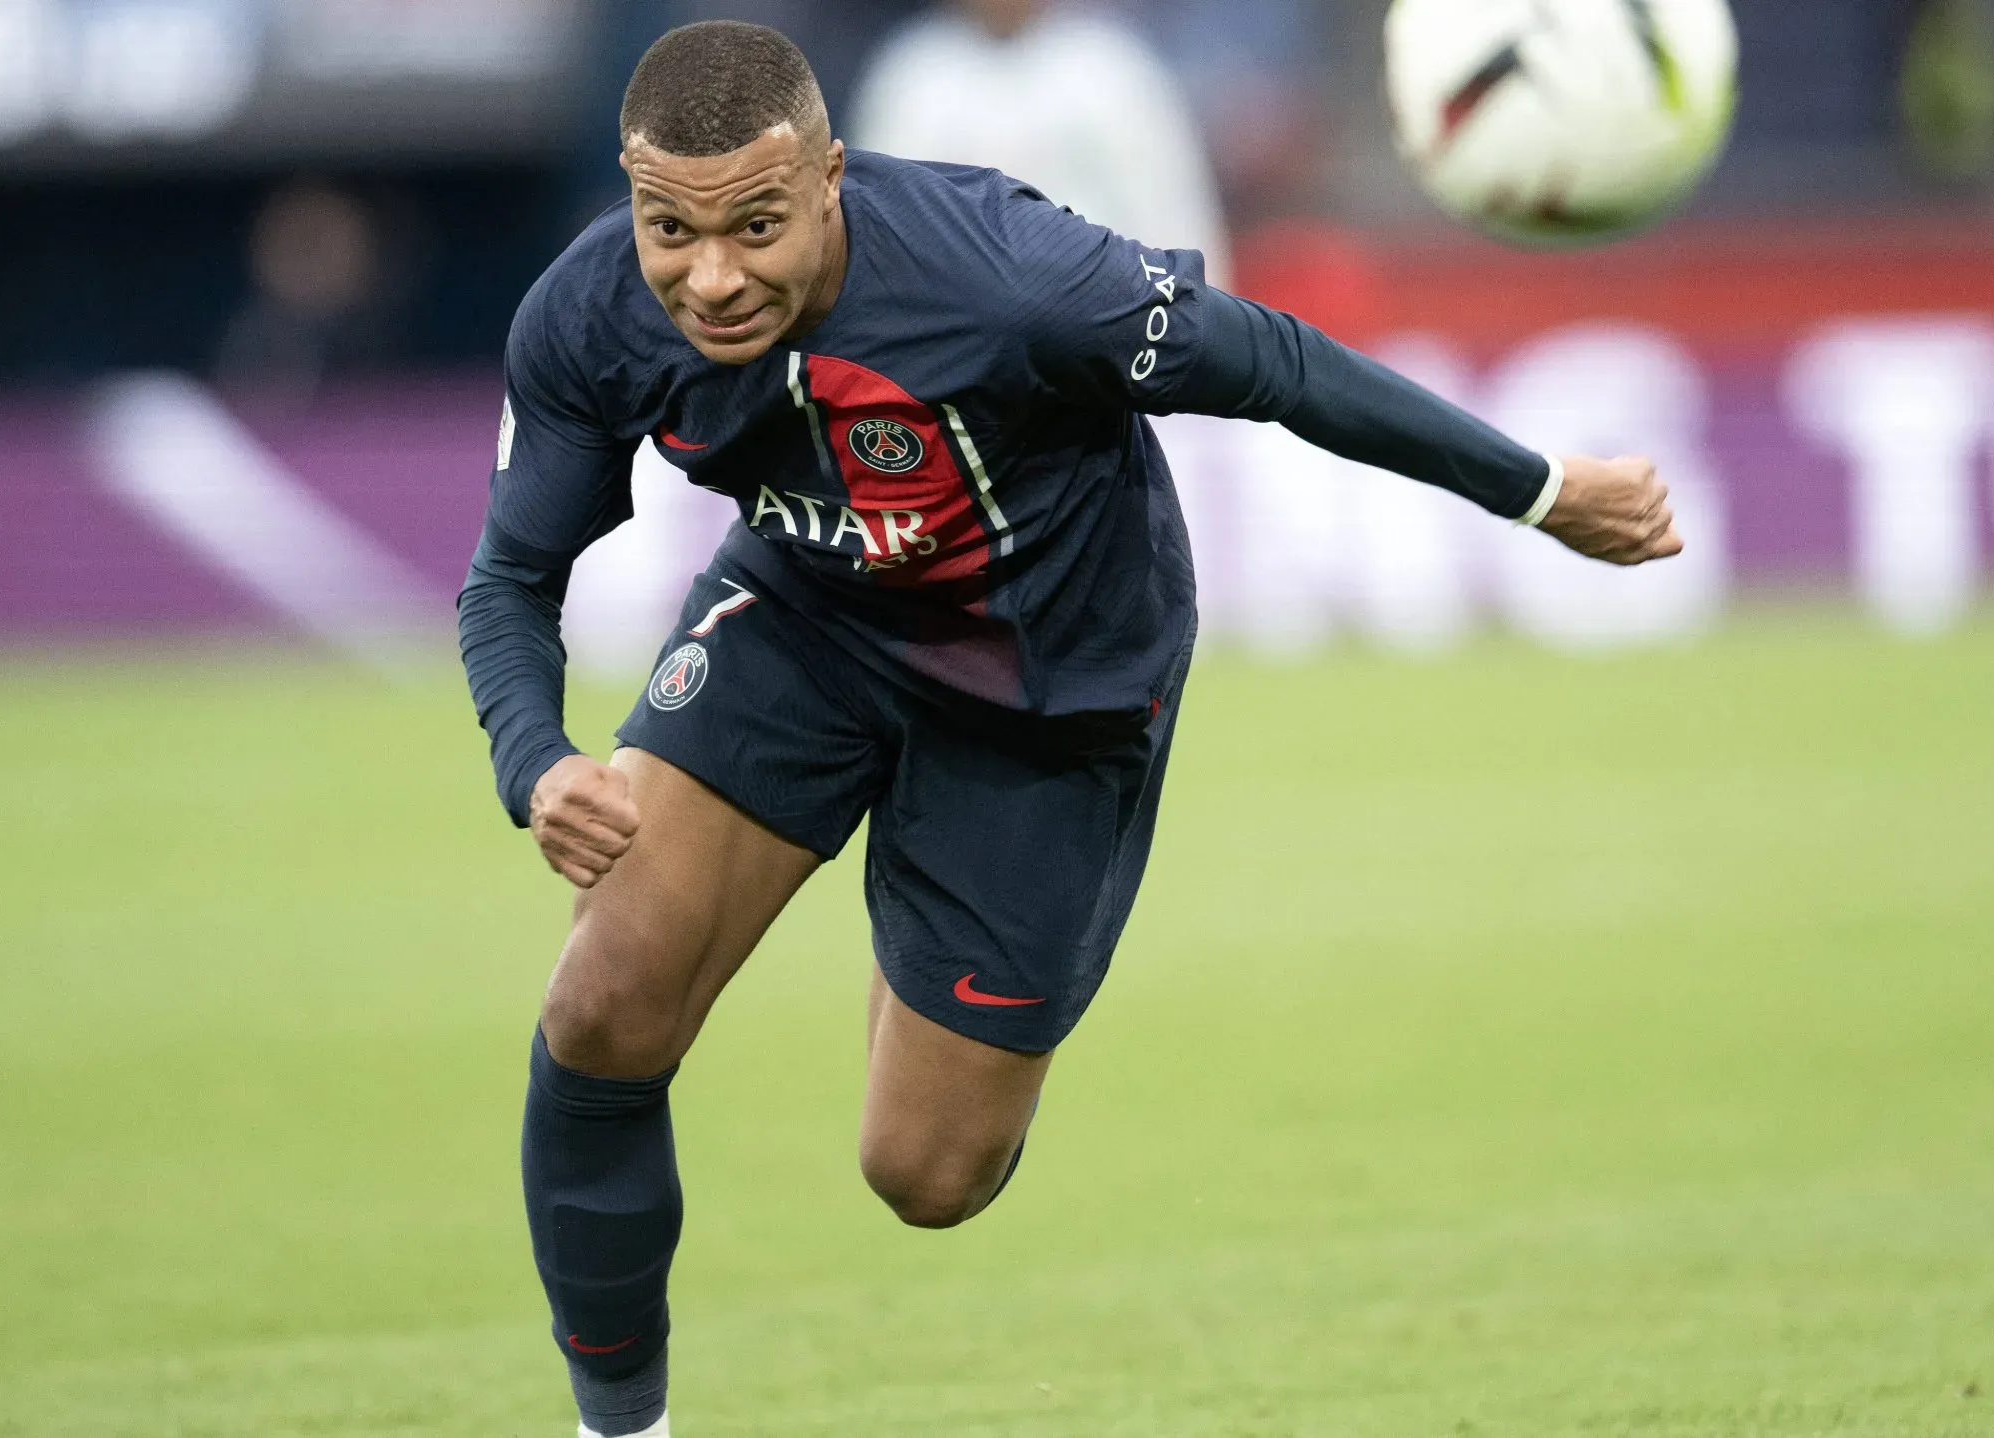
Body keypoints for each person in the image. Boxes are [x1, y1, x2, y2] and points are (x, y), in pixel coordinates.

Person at [458, 22, 1681, 1438]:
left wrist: (1541, 491)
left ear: (830, 178)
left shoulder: (1016, 281)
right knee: (602, 1001)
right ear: (631, 192)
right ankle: (622, 1429)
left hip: (1054, 682)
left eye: (755, 224)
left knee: (927, 1172)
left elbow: (1280, 364)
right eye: (671, 227)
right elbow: (511, 575)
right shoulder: (590, 311)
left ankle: (933, 905)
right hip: (807, 620)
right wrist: (535, 762)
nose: (711, 274)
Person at [848, 0, 1232, 283]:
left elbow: (1175, 222)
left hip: (1110, 342)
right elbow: (883, 246)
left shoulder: (1113, 70)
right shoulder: (910, 79)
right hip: (962, 352)